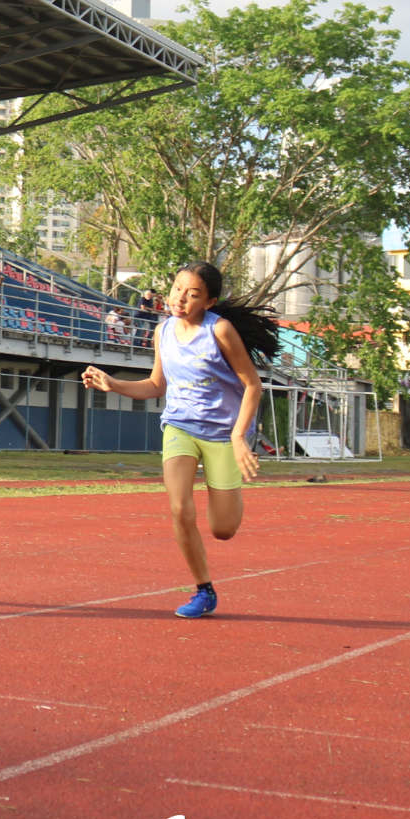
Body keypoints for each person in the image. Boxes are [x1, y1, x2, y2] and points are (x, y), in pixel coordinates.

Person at [81, 260, 279, 619]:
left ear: (209, 301)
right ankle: (204, 590)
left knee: (223, 529)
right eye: (177, 289)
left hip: (222, 433)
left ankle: (226, 492)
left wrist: (238, 437)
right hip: (179, 427)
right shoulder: (162, 332)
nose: (180, 299)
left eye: (193, 294)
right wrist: (114, 384)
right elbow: (157, 385)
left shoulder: (220, 332)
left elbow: (252, 385)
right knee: (179, 508)